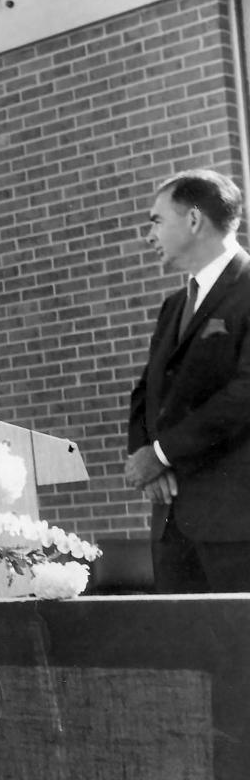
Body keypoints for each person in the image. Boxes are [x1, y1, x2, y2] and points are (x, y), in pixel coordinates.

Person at [126, 168, 250, 592]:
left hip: (236, 527)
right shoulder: (173, 306)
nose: (149, 235)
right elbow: (146, 392)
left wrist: (163, 453)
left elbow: (244, 395)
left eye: (156, 220)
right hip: (171, 524)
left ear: (194, 220)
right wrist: (147, 458)